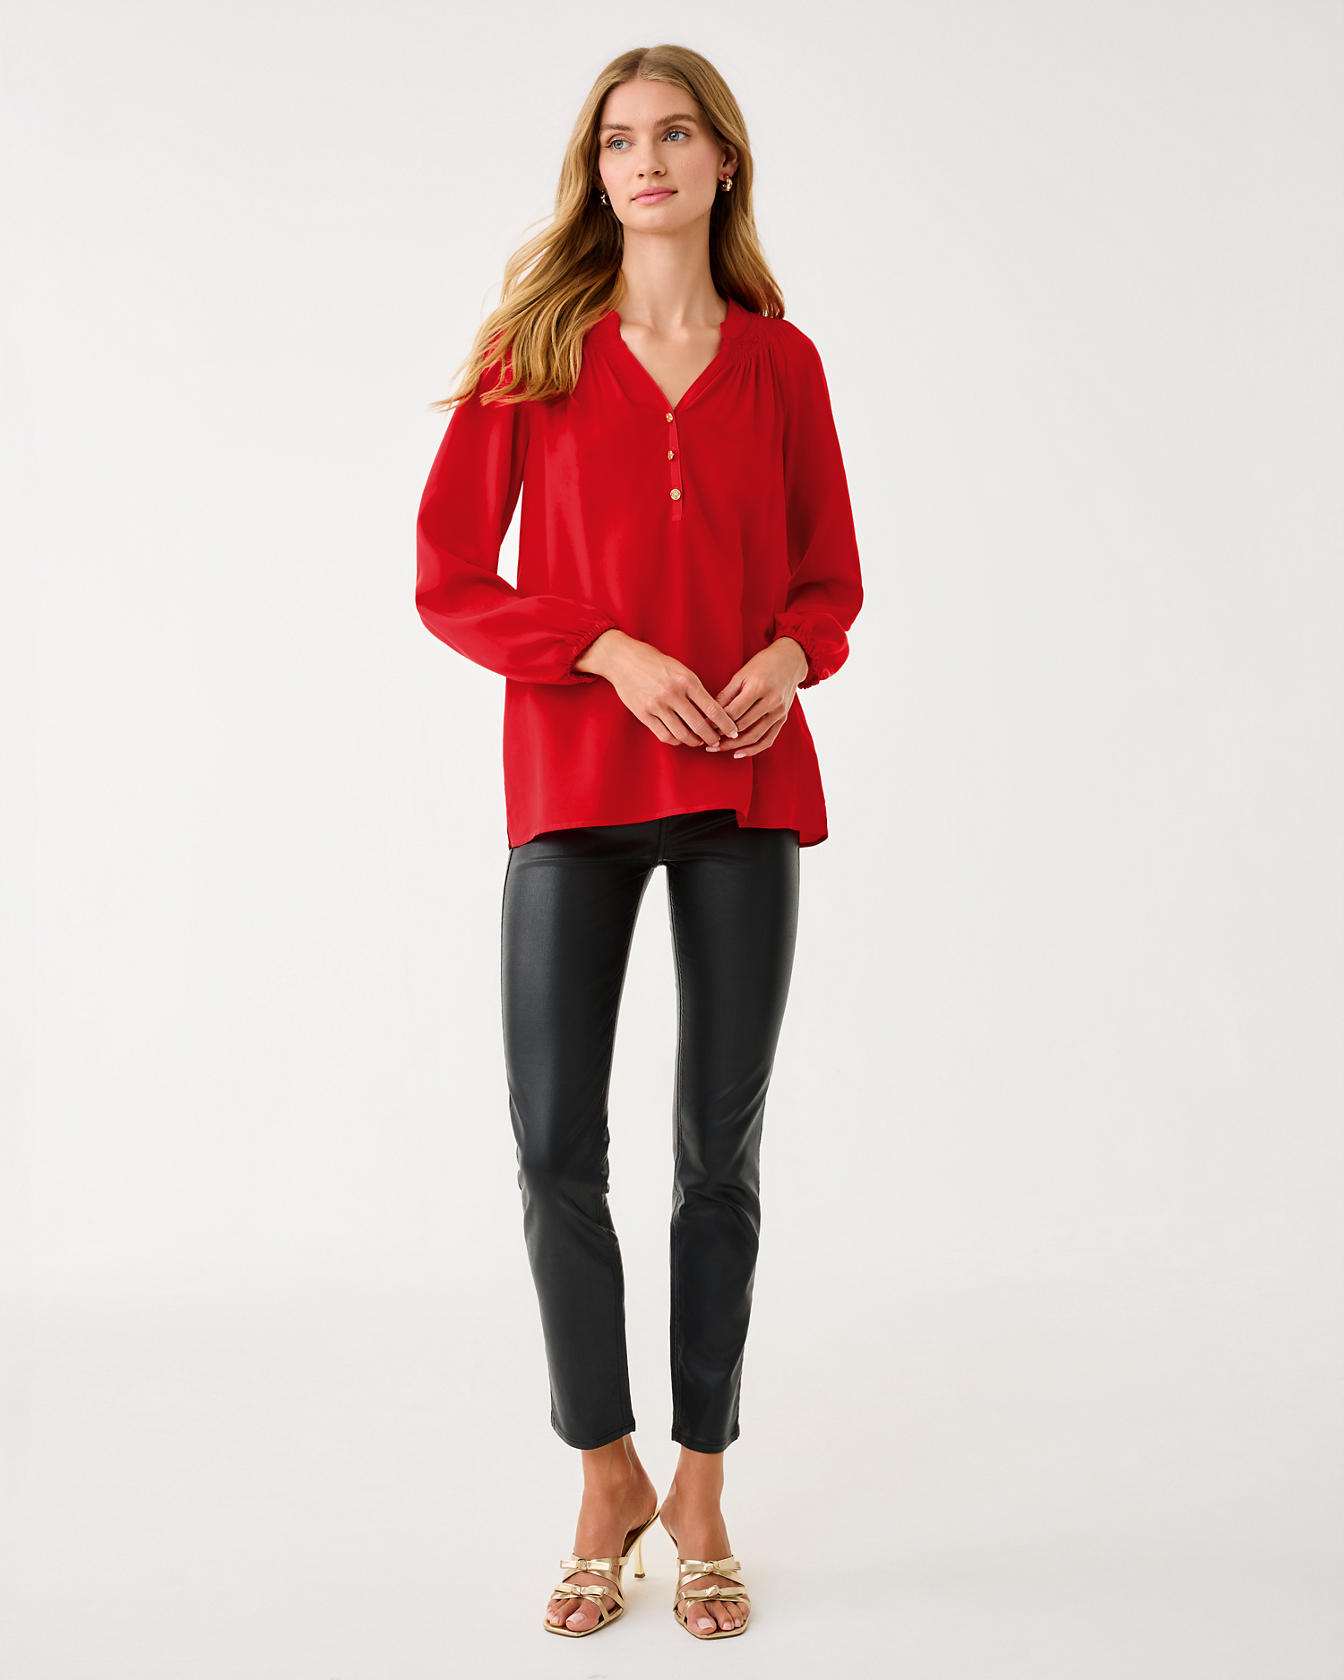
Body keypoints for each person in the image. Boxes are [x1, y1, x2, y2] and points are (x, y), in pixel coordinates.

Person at [414, 44, 864, 1642]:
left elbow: (830, 579)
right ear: (595, 171)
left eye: (675, 134)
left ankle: (704, 1484)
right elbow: (449, 576)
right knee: (554, 1146)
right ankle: (604, 1471)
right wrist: (604, 650)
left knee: (715, 1161)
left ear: (723, 161)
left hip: (745, 791)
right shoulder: (531, 352)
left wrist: (788, 656)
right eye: (619, 140)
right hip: (575, 788)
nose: (647, 160)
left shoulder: (783, 364)